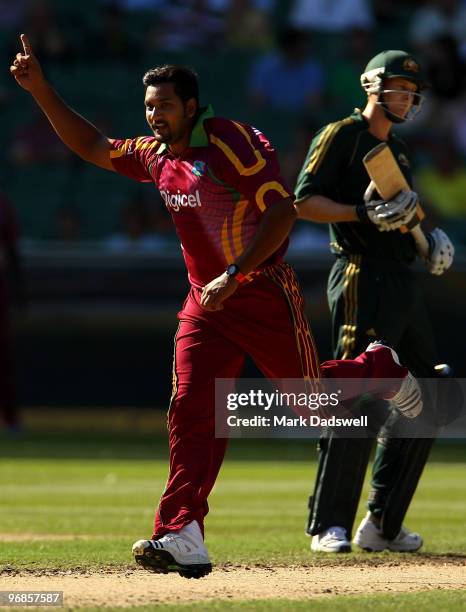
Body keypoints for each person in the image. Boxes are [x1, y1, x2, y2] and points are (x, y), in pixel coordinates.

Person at [10, 36, 422, 577]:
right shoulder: (157, 156)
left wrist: (236, 273)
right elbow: (93, 146)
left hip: (261, 292)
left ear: (191, 106)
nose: (155, 116)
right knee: (190, 408)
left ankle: (379, 366)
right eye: (149, 107)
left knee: (312, 407)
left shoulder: (230, 143)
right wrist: (40, 88)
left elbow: (283, 214)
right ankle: (181, 531)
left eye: (165, 106)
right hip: (205, 304)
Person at [294, 50, 454, 554]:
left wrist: (429, 243)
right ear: (371, 85)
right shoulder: (341, 135)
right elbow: (303, 202)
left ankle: (382, 523)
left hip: (402, 280)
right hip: (361, 275)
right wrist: (362, 214)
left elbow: (402, 215)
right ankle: (329, 524)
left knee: (431, 393)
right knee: (357, 392)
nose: (406, 98)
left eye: (412, 91)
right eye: (399, 88)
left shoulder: (400, 152)